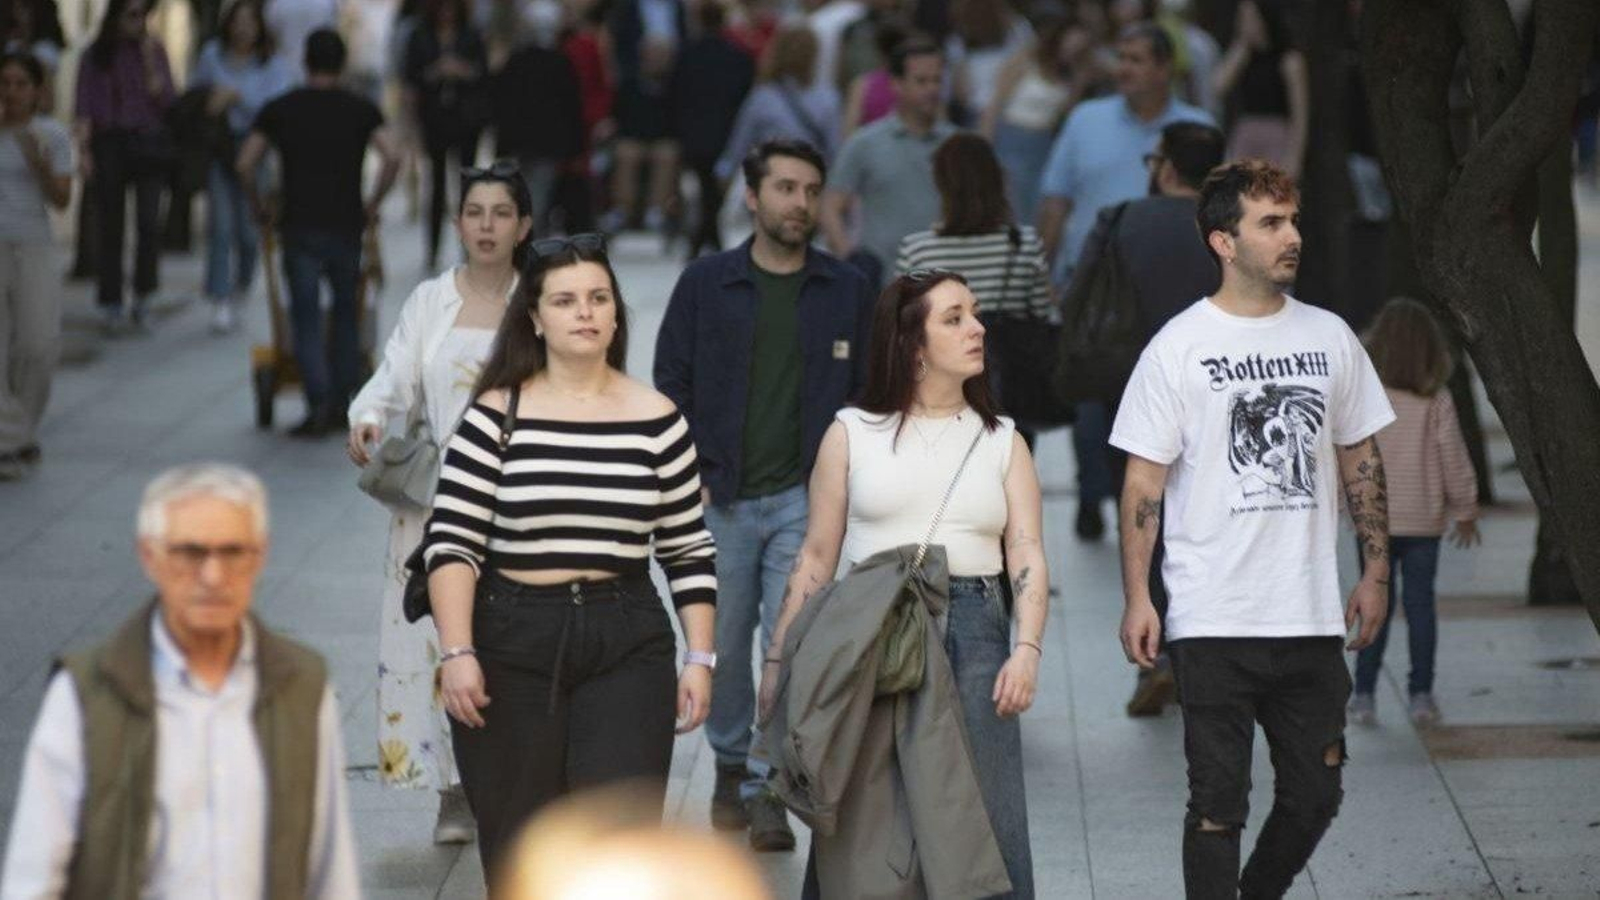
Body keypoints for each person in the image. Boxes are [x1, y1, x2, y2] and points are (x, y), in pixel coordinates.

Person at [1112, 160, 1394, 898]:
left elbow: (1361, 457)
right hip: (1211, 619)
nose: (1291, 235)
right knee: (1216, 807)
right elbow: (1143, 483)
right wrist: (1139, 596)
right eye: (1270, 223)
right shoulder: (1178, 347)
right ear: (1223, 242)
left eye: (1292, 219)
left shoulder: (1331, 338)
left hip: (1306, 614)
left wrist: (1374, 572)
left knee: (1315, 796)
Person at [422, 233, 717, 883]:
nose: (584, 311)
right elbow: (452, 543)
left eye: (597, 298)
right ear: (535, 317)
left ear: (616, 314)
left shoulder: (658, 419)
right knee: (523, 850)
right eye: (564, 300)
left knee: (620, 849)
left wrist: (700, 657)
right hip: (513, 639)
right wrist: (457, 650)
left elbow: (688, 547)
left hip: (627, 638)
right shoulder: (495, 417)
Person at [761, 269, 1049, 898]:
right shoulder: (850, 433)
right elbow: (815, 556)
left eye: (975, 313)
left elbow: (1026, 550)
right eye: (954, 318)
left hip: (975, 629)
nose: (977, 328)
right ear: (912, 345)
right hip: (871, 631)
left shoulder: (1002, 440)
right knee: (866, 818)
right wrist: (780, 660)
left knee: (984, 812)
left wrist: (1025, 651)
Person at [654, 138, 874, 852]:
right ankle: (726, 759)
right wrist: (694, 472)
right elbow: (671, 383)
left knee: (790, 647)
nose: (800, 204)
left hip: (805, 505)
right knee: (723, 639)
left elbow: (867, 395)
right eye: (784, 188)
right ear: (752, 197)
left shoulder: (844, 289)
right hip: (719, 497)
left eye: (811, 190)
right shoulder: (706, 283)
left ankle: (764, 783)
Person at [0, 463, 360, 897]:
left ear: (260, 557)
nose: (213, 576)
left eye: (233, 552)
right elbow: (33, 877)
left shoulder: (302, 686)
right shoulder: (86, 693)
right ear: (150, 557)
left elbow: (330, 870)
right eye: (190, 553)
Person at [346, 162, 532, 844]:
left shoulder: (539, 301)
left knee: (508, 640)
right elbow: (392, 376)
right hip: (431, 500)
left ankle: (508, 782)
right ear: (457, 223)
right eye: (475, 212)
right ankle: (451, 792)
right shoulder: (429, 300)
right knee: (435, 643)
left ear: (525, 226)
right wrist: (368, 416)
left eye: (501, 212)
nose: (486, 225)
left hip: (517, 498)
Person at [1067, 119, 1223, 716]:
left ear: (1164, 166)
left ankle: (1155, 657)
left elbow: (1081, 290)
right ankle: (1203, 655)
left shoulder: (1121, 219)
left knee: (1146, 520)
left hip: (1130, 390)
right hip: (1216, 392)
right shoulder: (1224, 229)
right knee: (1209, 520)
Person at [1036, 21, 1212, 542]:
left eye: (1136, 59)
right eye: (1121, 58)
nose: (1124, 69)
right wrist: (1045, 274)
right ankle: (1095, 494)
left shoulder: (1195, 128)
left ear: (1164, 69)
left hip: (1173, 294)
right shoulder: (1086, 121)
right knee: (1092, 399)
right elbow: (1055, 198)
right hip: (1095, 289)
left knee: (1164, 405)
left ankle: (1150, 502)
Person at [238, 28, 402, 438]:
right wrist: (374, 201)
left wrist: (259, 205)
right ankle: (342, 399)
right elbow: (393, 155)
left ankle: (317, 400)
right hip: (346, 223)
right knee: (346, 311)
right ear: (342, 63)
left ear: (305, 62)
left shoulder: (281, 108)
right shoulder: (360, 109)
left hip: (299, 225)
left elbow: (245, 162)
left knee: (305, 315)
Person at [1349, 297, 1481, 727]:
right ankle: (1421, 694)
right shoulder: (1435, 399)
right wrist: (1465, 509)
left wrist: (1340, 506)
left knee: (1375, 604)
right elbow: (1453, 457)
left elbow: (1345, 454)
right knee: (1421, 606)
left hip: (1373, 524)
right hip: (1423, 521)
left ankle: (1364, 695)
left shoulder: (1364, 399)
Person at [896, 133, 1049, 445]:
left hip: (940, 389)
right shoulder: (1023, 243)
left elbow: (904, 329)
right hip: (1010, 389)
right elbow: (1042, 314)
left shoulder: (917, 250)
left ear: (942, 184)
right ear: (997, 180)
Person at [189, 0, 294, 334]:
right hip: (220, 149)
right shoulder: (211, 56)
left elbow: (276, 110)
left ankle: (241, 286)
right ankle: (220, 297)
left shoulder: (273, 64)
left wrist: (237, 98)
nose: (244, 28)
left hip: (255, 150)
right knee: (220, 226)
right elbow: (194, 98)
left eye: (251, 22)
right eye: (238, 21)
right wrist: (212, 102)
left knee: (250, 231)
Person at [820, 36, 956, 288]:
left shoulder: (958, 144)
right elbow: (830, 205)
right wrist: (851, 262)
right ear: (897, 84)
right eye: (921, 81)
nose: (932, 89)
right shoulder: (865, 142)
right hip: (883, 287)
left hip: (945, 286)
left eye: (937, 80)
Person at [74, 0, 173, 334]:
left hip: (148, 141)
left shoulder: (154, 51)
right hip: (109, 142)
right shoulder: (95, 55)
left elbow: (166, 100)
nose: (139, 21)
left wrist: (148, 63)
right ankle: (112, 300)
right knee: (111, 224)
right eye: (132, 15)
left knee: (148, 222)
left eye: (143, 15)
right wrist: (84, 151)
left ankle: (144, 295)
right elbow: (83, 104)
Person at [0, 51, 69, 481]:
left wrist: (39, 164)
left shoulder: (50, 135)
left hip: (34, 244)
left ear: (37, 90)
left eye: (20, 83)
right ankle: (8, 442)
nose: (11, 92)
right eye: (4, 82)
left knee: (38, 344)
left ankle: (21, 430)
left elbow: (62, 199)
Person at [404, 0, 487, 270]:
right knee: (436, 185)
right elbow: (411, 75)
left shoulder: (471, 34)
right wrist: (435, 71)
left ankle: (468, 247)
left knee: (466, 185)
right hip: (435, 118)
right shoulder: (420, 35)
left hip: (466, 119)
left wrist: (462, 70)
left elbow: (484, 72)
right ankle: (433, 249)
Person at [670, 0, 753, 259]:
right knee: (709, 188)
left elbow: (675, 95)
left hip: (694, 132)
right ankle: (708, 239)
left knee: (706, 186)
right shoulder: (738, 56)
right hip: (726, 132)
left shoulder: (687, 54)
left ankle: (703, 240)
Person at [492, 5, 583, 236]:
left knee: (531, 201)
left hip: (533, 145)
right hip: (537, 146)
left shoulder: (522, 62)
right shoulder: (557, 63)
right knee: (532, 202)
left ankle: (531, 251)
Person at [716, 25, 840, 184]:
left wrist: (724, 174)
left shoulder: (763, 97)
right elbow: (835, 152)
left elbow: (739, 145)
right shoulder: (828, 98)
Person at [604, 0, 684, 233]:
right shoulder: (629, 86)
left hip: (663, 138)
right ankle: (622, 210)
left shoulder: (674, 88)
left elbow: (676, 120)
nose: (656, 60)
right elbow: (619, 116)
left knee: (667, 154)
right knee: (626, 153)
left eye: (661, 55)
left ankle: (656, 211)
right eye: (651, 55)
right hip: (633, 135)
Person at [1211, 0, 1307, 176]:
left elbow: (1299, 116)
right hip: (1246, 131)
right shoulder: (1245, 58)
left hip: (1277, 134)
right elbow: (1218, 86)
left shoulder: (1289, 60)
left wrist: (1294, 157)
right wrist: (1241, 46)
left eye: (1250, 17)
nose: (1245, 23)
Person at [943, 0, 1031, 125]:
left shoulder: (1017, 30)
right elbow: (962, 94)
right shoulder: (957, 43)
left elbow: (1028, 65)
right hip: (976, 112)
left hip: (1013, 110)